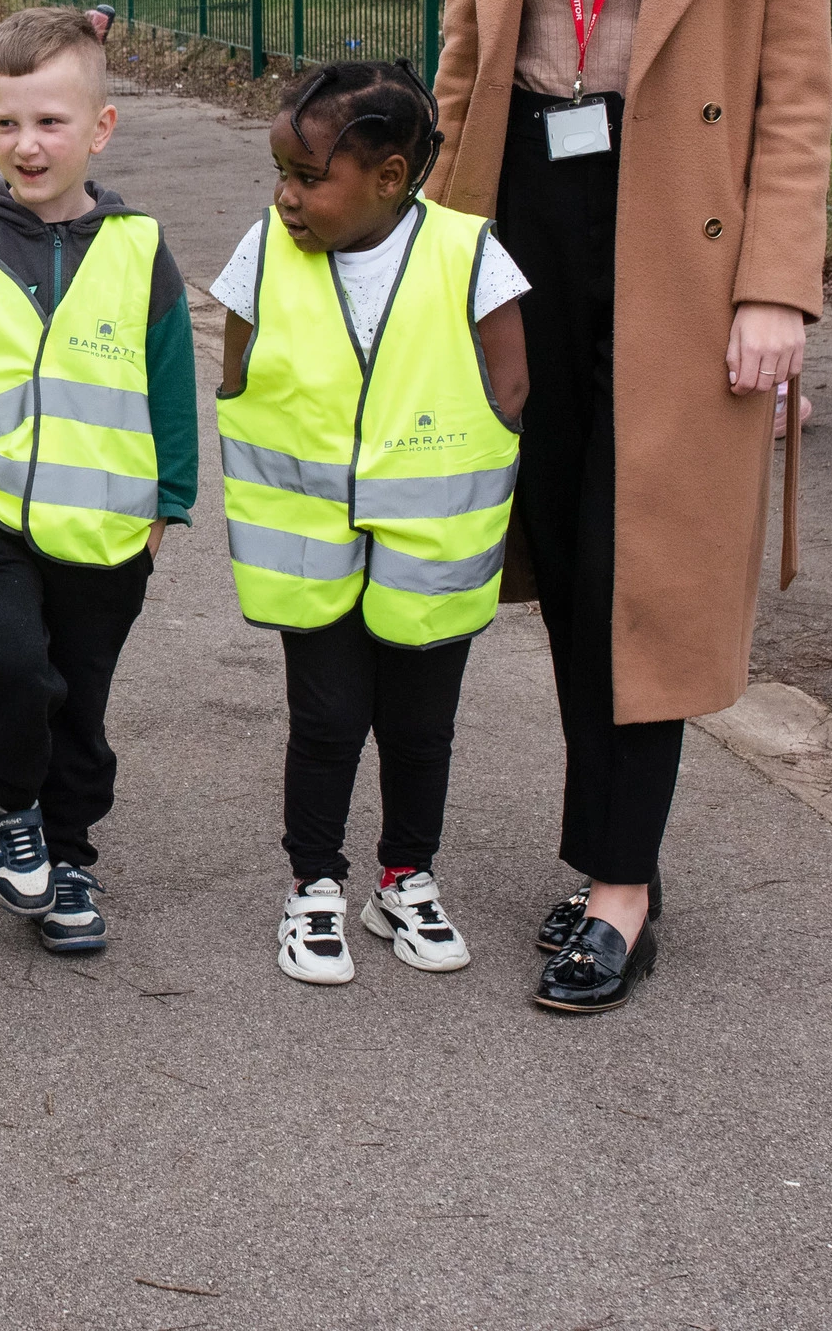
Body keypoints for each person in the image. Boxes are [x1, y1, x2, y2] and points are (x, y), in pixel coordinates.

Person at [432, 0, 832, 1014]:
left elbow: (797, 85)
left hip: (682, 227)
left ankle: (618, 884)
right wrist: (425, 252)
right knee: (554, 544)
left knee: (637, 564)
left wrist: (778, 287)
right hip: (518, 212)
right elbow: (466, 68)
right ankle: (601, 852)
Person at [210, 63, 530, 986]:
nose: (287, 196)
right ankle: (314, 884)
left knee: (422, 728)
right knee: (328, 720)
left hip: (430, 552)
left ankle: (405, 877)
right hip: (309, 551)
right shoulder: (264, 249)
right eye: (281, 173)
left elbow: (508, 383)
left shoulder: (470, 253)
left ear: (388, 178)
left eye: (309, 178)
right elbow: (238, 369)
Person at [0, 6, 197, 955]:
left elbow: (172, 383)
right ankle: (10, 804)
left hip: (112, 530)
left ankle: (69, 856)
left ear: (99, 129)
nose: (25, 145)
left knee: (83, 701)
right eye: (7, 123)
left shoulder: (141, 249)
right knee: (15, 668)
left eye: (50, 122)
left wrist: (168, 509)